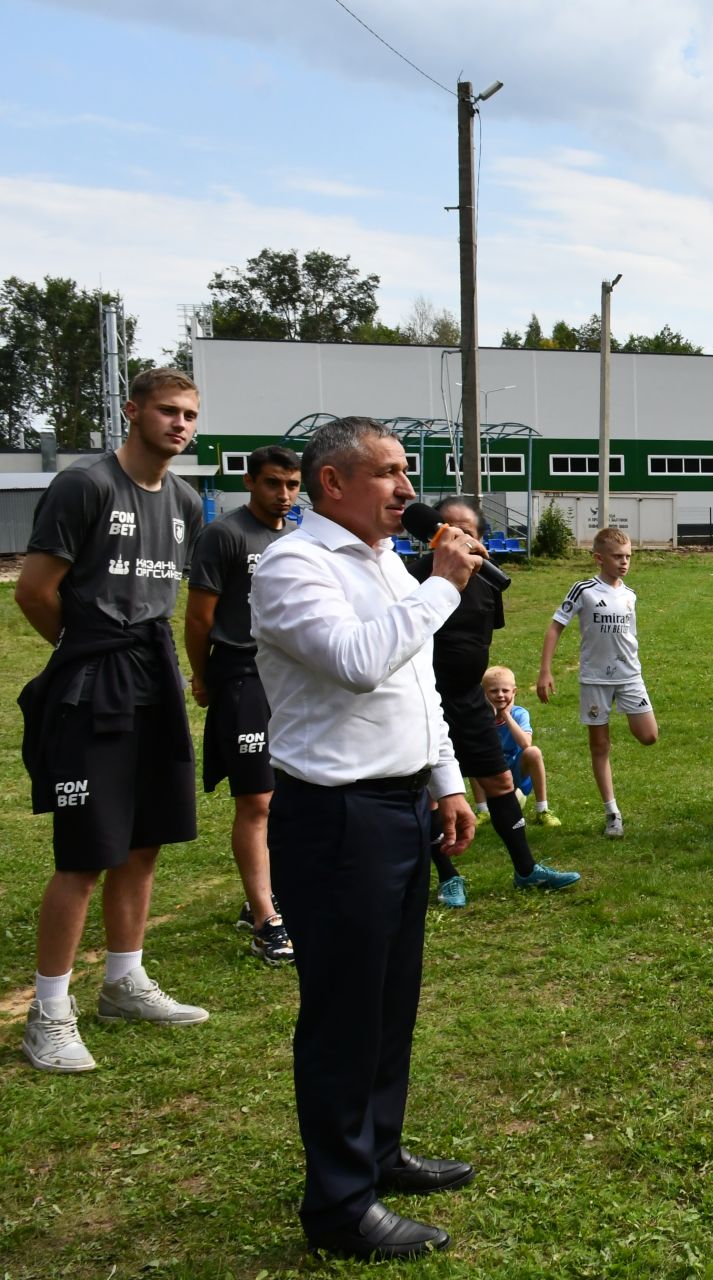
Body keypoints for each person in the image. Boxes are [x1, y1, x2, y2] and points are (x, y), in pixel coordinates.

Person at [251, 417, 483, 1258]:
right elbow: (355, 660)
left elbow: (414, 688)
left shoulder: (386, 563)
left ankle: (379, 1152)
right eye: (387, 473)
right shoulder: (292, 567)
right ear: (331, 485)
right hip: (337, 817)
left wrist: (445, 781)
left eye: (407, 472)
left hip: (400, 807)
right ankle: (340, 1208)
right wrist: (443, 587)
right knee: (344, 1015)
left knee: (390, 1002)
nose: (407, 490)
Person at [16, 366, 208, 1074]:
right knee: (86, 852)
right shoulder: (86, 485)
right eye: (166, 411)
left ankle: (124, 981)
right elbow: (36, 593)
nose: (179, 425)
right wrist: (85, 655)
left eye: (189, 414)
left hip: (153, 676)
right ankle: (49, 1013)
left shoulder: (186, 500)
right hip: (96, 678)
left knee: (145, 837)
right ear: (132, 411)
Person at [414, 496, 577, 901]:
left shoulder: (489, 579)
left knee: (501, 781)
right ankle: (448, 875)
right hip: (422, 701)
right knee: (432, 795)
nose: (456, 538)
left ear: (482, 540)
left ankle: (526, 870)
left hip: (470, 700)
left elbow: (482, 638)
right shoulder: (414, 577)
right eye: (446, 529)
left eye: (466, 531)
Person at [184, 443, 300, 965]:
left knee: (285, 794)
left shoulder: (297, 540)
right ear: (250, 482)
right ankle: (265, 922)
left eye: (293, 485)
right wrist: (204, 677)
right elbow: (198, 619)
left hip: (288, 679)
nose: (284, 495)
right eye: (274, 483)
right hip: (238, 675)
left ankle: (267, 895)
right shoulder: (223, 535)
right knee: (255, 800)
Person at [538, 526, 659, 839]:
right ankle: (612, 813)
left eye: (628, 556)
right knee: (600, 745)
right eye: (617, 556)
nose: (624, 562)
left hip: (630, 675)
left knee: (648, 736)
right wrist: (545, 671)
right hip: (595, 679)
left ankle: (612, 808)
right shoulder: (583, 590)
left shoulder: (630, 595)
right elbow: (555, 628)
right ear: (598, 558)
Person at [482, 665, 553, 826]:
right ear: (484, 693)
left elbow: (526, 743)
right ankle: (482, 810)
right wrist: (490, 718)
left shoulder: (520, 714)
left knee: (533, 752)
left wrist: (506, 715)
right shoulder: (480, 716)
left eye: (505, 691)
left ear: (514, 692)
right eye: (493, 691)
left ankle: (542, 810)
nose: (500, 695)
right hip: (490, 773)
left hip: (514, 769)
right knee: (472, 753)